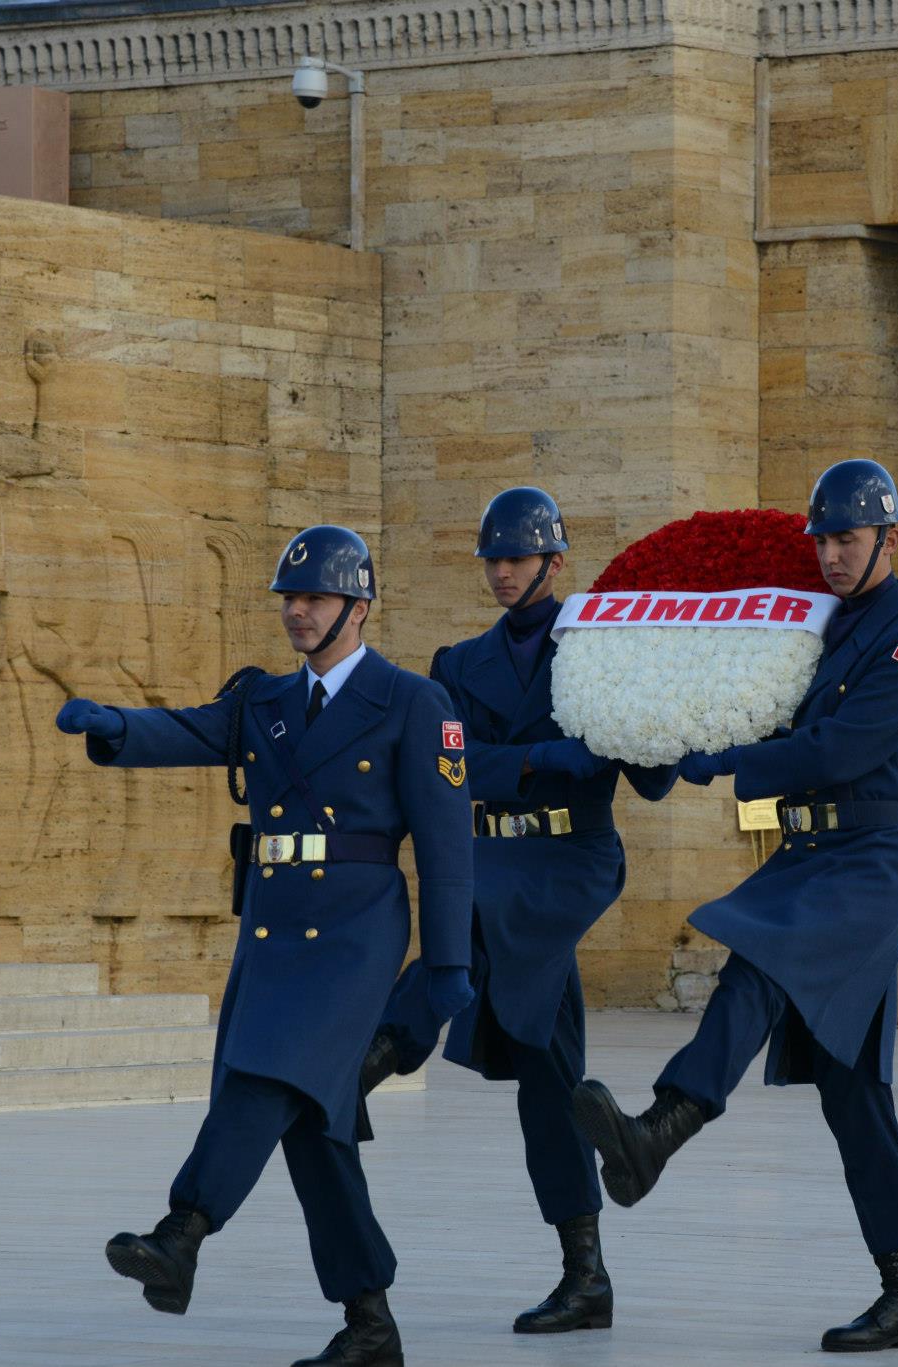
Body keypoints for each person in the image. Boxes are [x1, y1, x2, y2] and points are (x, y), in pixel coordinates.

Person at [56, 525, 474, 1367]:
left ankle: (184, 1232)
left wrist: (446, 970)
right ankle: (370, 1326)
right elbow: (196, 730)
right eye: (288, 597)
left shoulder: (412, 703)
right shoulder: (267, 704)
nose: (295, 611)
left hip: (355, 933)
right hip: (276, 927)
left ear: (357, 607)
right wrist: (116, 728)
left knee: (268, 1072)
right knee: (312, 1124)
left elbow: (446, 848)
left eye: (313, 598)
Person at [569, 458, 898, 1354]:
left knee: (761, 953)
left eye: (846, 539)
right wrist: (667, 724)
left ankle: (663, 1127)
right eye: (820, 538)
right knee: (855, 1092)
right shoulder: (819, 626)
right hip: (811, 849)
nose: (827, 554)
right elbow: (771, 709)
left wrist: (726, 761)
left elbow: (841, 745)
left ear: (888, 539)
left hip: (870, 856)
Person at [358, 487, 677, 1334]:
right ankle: (587, 1276)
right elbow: (449, 767)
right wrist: (545, 753)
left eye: (517, 558)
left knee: (462, 949)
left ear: (554, 561)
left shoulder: (605, 647)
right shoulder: (458, 664)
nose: (502, 572)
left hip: (570, 860)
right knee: (548, 1066)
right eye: (492, 560)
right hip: (493, 854)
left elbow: (653, 775)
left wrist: (655, 704)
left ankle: (374, 1055)